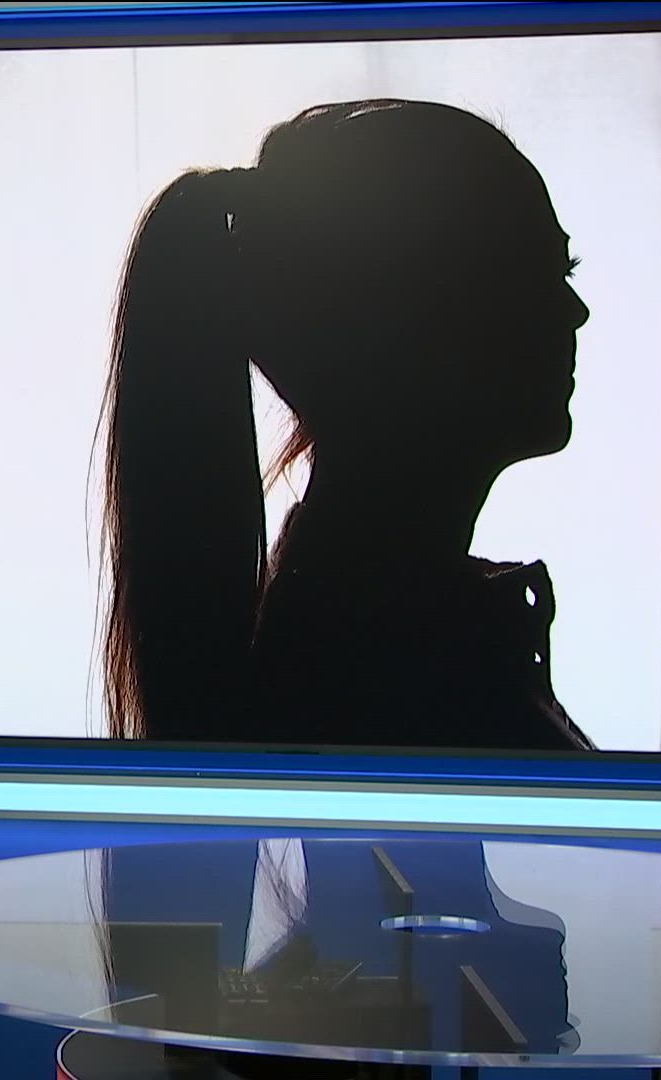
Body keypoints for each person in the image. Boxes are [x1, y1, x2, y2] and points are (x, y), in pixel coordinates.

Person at [100, 99, 594, 751]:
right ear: (407, 318)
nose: (575, 310)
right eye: (528, 272)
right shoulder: (401, 681)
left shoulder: (378, 643)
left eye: (564, 270)